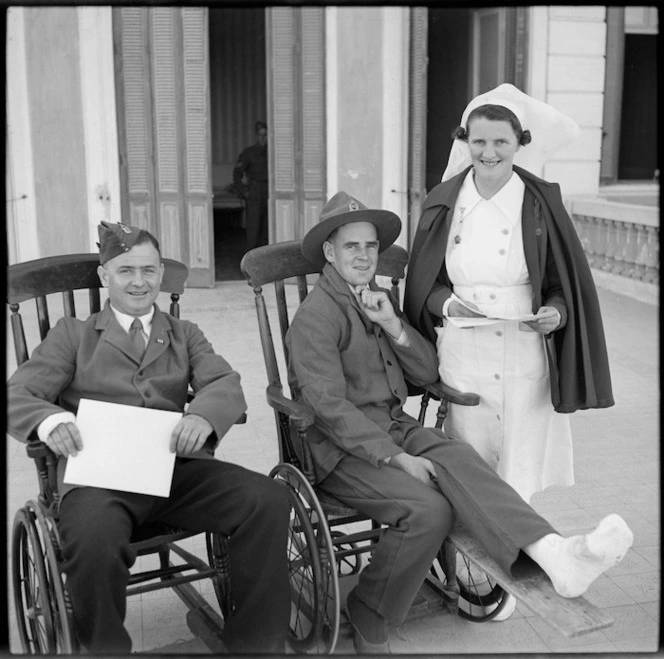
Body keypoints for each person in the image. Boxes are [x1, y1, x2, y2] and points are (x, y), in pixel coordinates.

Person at [285, 191, 632, 654]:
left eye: (370, 246)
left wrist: (393, 325)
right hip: (340, 449)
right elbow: (329, 409)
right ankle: (369, 610)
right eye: (351, 246)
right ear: (330, 252)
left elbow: (426, 374)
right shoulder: (316, 318)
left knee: (462, 460)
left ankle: (554, 553)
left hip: (393, 425)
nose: (365, 256)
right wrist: (397, 457)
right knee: (429, 511)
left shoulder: (375, 300)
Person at [7, 222, 290, 654]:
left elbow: (225, 382)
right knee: (93, 541)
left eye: (149, 271)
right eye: (125, 271)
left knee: (267, 499)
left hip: (175, 470)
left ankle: (255, 643)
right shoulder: (73, 335)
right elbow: (17, 393)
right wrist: (48, 422)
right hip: (99, 482)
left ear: (160, 274)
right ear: (105, 277)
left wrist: (203, 416)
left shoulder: (184, 333)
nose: (139, 282)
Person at [404, 84, 614, 504]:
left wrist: (555, 314)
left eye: (501, 141)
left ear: (520, 143)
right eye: (478, 141)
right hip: (465, 350)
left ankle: (512, 558)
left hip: (524, 353)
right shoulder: (443, 202)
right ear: (464, 141)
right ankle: (467, 562)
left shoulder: (539, 202)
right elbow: (426, 281)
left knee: (518, 473)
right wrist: (448, 304)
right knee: (469, 466)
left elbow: (560, 286)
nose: (489, 152)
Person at [233, 120, 269, 251]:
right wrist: (245, 192)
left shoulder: (273, 153)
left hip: (270, 191)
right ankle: (250, 259)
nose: (263, 138)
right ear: (256, 136)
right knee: (253, 228)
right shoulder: (249, 152)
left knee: (267, 228)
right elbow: (237, 174)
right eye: (260, 135)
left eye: (265, 135)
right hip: (255, 191)